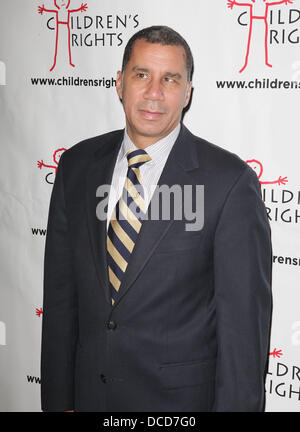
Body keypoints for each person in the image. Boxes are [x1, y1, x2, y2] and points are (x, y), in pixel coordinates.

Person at [40, 25, 272, 412]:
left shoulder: (229, 183)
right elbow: (61, 300)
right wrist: (59, 401)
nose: (154, 93)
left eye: (170, 79)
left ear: (187, 93)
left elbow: (244, 338)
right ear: (120, 83)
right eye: (141, 74)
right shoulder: (77, 166)